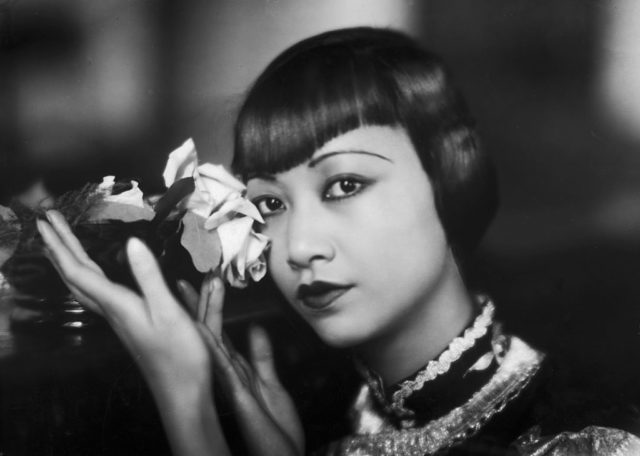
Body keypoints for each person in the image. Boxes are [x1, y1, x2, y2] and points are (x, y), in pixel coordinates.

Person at [36, 27, 640, 455]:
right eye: (270, 203)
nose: (298, 247)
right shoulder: (345, 425)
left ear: (449, 176)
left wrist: (187, 404)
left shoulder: (574, 440)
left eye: (346, 184)